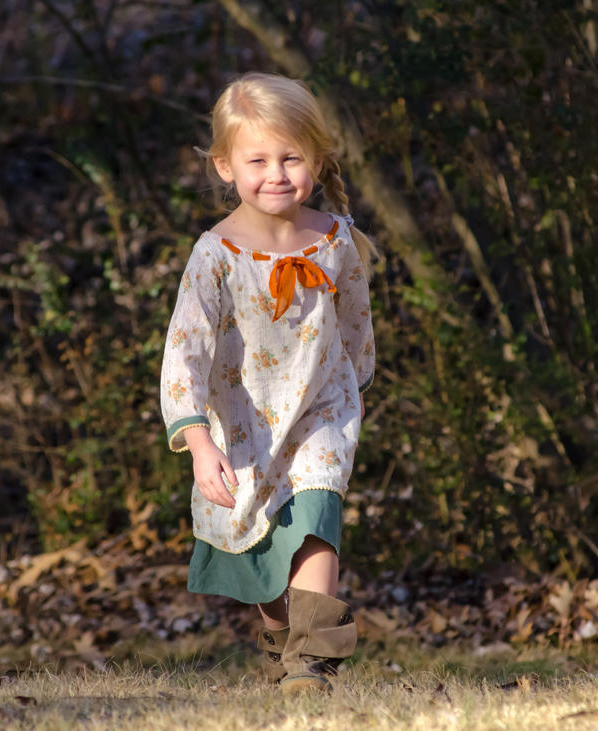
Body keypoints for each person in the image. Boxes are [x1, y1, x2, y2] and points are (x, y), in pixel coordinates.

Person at [160, 72, 375, 694]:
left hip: (322, 411)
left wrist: (354, 387)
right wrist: (198, 440)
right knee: (262, 550)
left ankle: (313, 664)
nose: (276, 174)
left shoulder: (334, 240)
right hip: (245, 421)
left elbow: (355, 320)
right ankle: (285, 649)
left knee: (316, 518)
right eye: (258, 160)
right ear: (225, 166)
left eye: (292, 158)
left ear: (317, 160)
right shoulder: (215, 254)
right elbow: (185, 351)